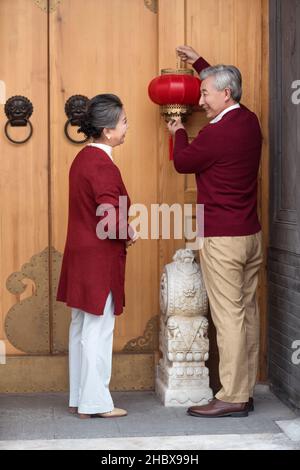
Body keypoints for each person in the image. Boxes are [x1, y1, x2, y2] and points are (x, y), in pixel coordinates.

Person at [167, 45, 263, 418]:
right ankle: (245, 389)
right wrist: (201, 66)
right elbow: (227, 85)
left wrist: (177, 131)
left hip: (223, 238)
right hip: (250, 235)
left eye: (205, 93)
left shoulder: (215, 133)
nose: (200, 100)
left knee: (228, 318)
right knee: (247, 313)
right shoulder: (249, 119)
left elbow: (181, 163)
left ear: (225, 94)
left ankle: (232, 396)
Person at [56, 94, 136, 419]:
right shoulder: (103, 164)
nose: (127, 127)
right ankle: (96, 403)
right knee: (98, 330)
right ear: (107, 130)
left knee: (81, 327)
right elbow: (107, 215)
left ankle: (80, 398)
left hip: (80, 253)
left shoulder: (83, 158)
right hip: (98, 258)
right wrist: (128, 232)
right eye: (124, 121)